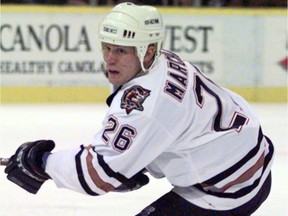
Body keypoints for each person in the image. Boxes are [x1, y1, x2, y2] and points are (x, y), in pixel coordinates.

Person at [4, 2, 274, 215]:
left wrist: (42, 162)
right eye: (107, 48)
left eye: (121, 51)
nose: (110, 59)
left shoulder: (146, 101)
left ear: (147, 50)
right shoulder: (163, 61)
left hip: (228, 191)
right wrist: (137, 163)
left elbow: (97, 175)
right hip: (249, 161)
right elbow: (175, 126)